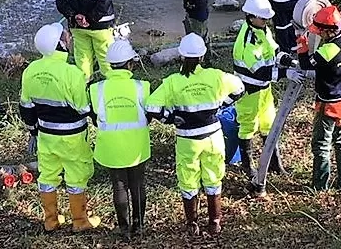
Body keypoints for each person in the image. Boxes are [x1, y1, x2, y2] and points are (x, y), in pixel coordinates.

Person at [145, 34, 245, 235]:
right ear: (202, 56)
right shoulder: (215, 76)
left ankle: (192, 224)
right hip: (213, 136)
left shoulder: (173, 82)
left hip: (187, 139)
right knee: (213, 178)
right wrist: (220, 105)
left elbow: (151, 106)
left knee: (188, 179)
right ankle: (215, 222)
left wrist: (170, 118)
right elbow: (240, 88)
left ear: (181, 57)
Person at [20, 23, 99, 232]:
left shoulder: (30, 70)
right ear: (59, 44)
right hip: (72, 136)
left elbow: (26, 107)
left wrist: (33, 131)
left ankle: (51, 220)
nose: (69, 39)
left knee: (47, 176)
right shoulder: (71, 73)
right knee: (76, 174)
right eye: (65, 37)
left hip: (45, 135)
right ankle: (80, 221)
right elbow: (82, 108)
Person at [232, 0, 302, 182]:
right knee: (247, 127)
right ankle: (248, 166)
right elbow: (259, 72)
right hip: (249, 91)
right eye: (263, 18)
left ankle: (273, 162)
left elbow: (274, 51)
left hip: (264, 90)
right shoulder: (246, 41)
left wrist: (289, 60)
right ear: (251, 17)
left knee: (268, 124)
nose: (267, 21)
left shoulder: (263, 30)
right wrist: (284, 74)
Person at [88, 39, 150, 236]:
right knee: (137, 183)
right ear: (130, 63)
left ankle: (123, 228)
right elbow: (150, 113)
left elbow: (94, 115)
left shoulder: (97, 88)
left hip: (110, 147)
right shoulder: (142, 86)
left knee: (119, 186)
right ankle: (139, 226)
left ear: (109, 64)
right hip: (137, 145)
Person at [298, 5, 341, 191]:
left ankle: (319, 186)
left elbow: (306, 64)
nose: (319, 34)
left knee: (321, 145)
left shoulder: (327, 52)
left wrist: (302, 47)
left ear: (328, 32)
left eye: (320, 32)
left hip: (330, 104)